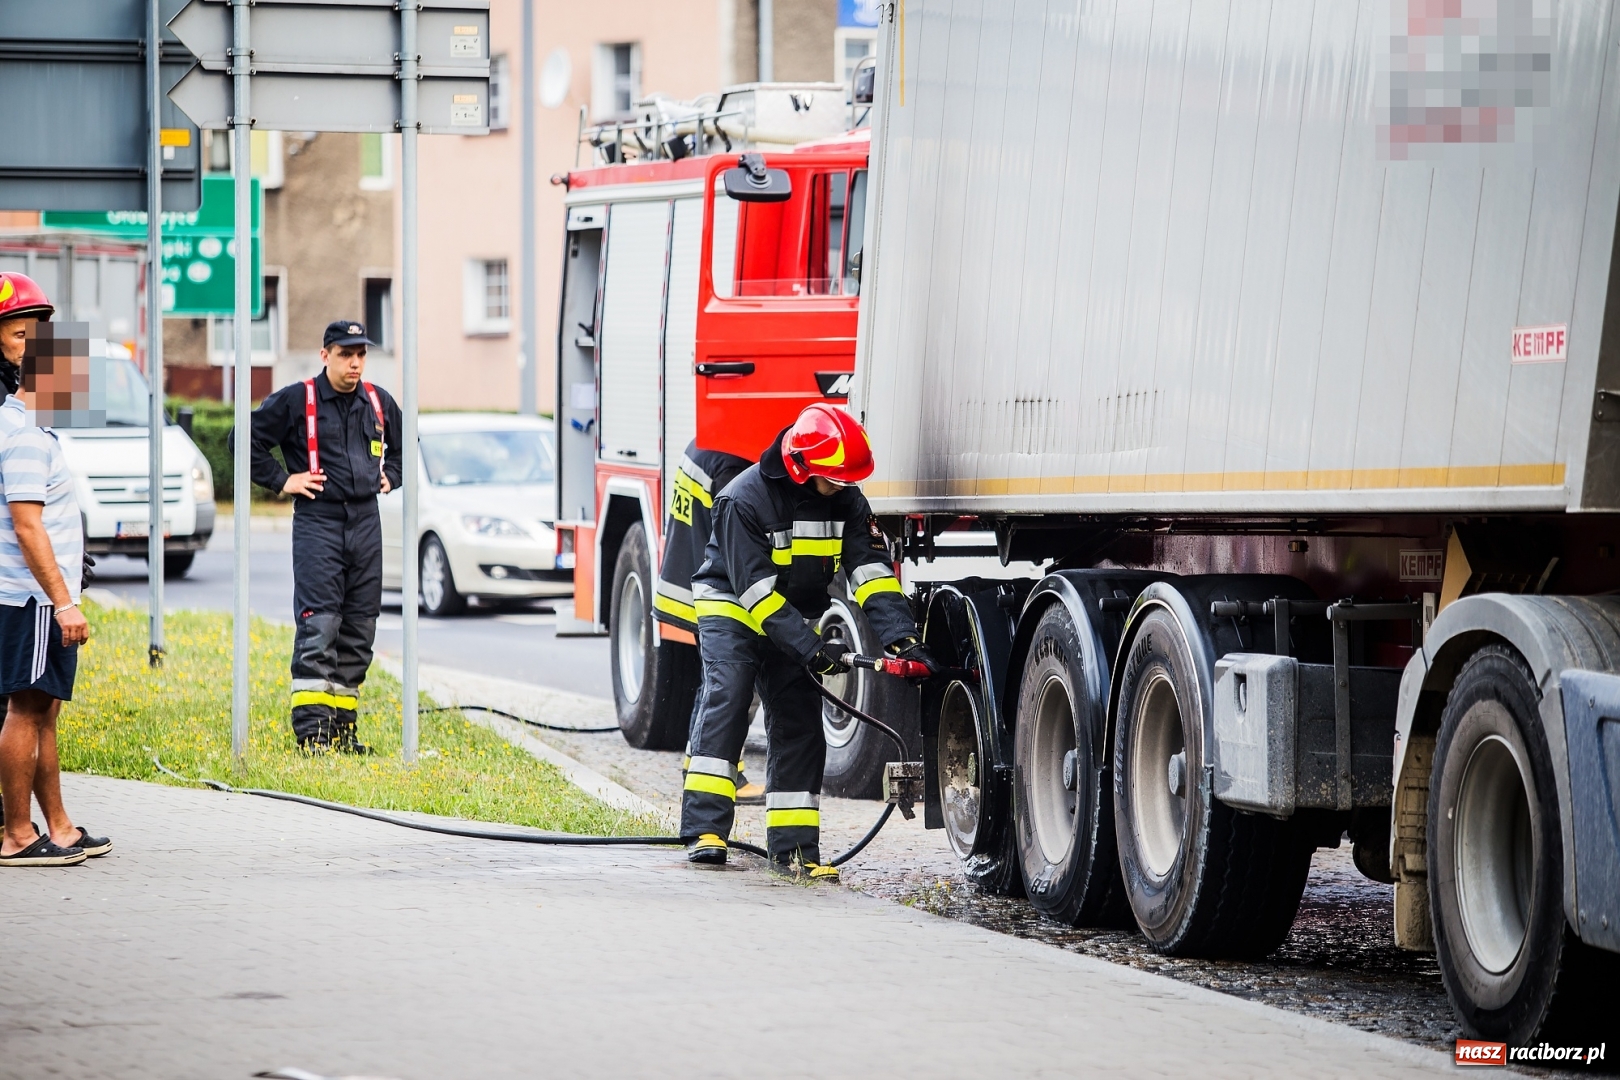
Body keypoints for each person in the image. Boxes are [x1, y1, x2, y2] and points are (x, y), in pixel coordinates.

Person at [681, 403, 936, 879]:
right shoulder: (744, 499)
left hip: (793, 613)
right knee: (731, 695)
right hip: (733, 606)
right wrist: (811, 647)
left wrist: (901, 639)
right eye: (835, 478)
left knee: (799, 718)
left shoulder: (847, 500)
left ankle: (795, 849)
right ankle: (704, 830)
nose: (844, 486)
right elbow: (755, 594)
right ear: (801, 468)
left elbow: (870, 574)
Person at [239, 320, 402, 752]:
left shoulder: (377, 401)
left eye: (361, 354)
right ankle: (313, 736)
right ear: (325, 354)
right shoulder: (298, 399)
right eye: (346, 353)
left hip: (366, 522)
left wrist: (392, 475)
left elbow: (403, 446)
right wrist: (282, 480)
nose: (355, 362)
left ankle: (343, 734)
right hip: (319, 522)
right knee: (320, 627)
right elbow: (245, 439)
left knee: (359, 630)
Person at [0, 272, 108, 866]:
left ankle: (58, 826)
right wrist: (63, 600)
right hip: (30, 599)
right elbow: (27, 526)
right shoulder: (22, 437)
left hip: (38, 597)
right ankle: (18, 834)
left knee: (44, 709)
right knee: (25, 708)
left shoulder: (36, 429)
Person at [652, 440, 766, 803]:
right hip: (715, 590)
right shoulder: (735, 465)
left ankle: (696, 760)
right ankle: (723, 771)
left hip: (691, 581)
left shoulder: (710, 441)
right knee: (730, 686)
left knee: (714, 683)